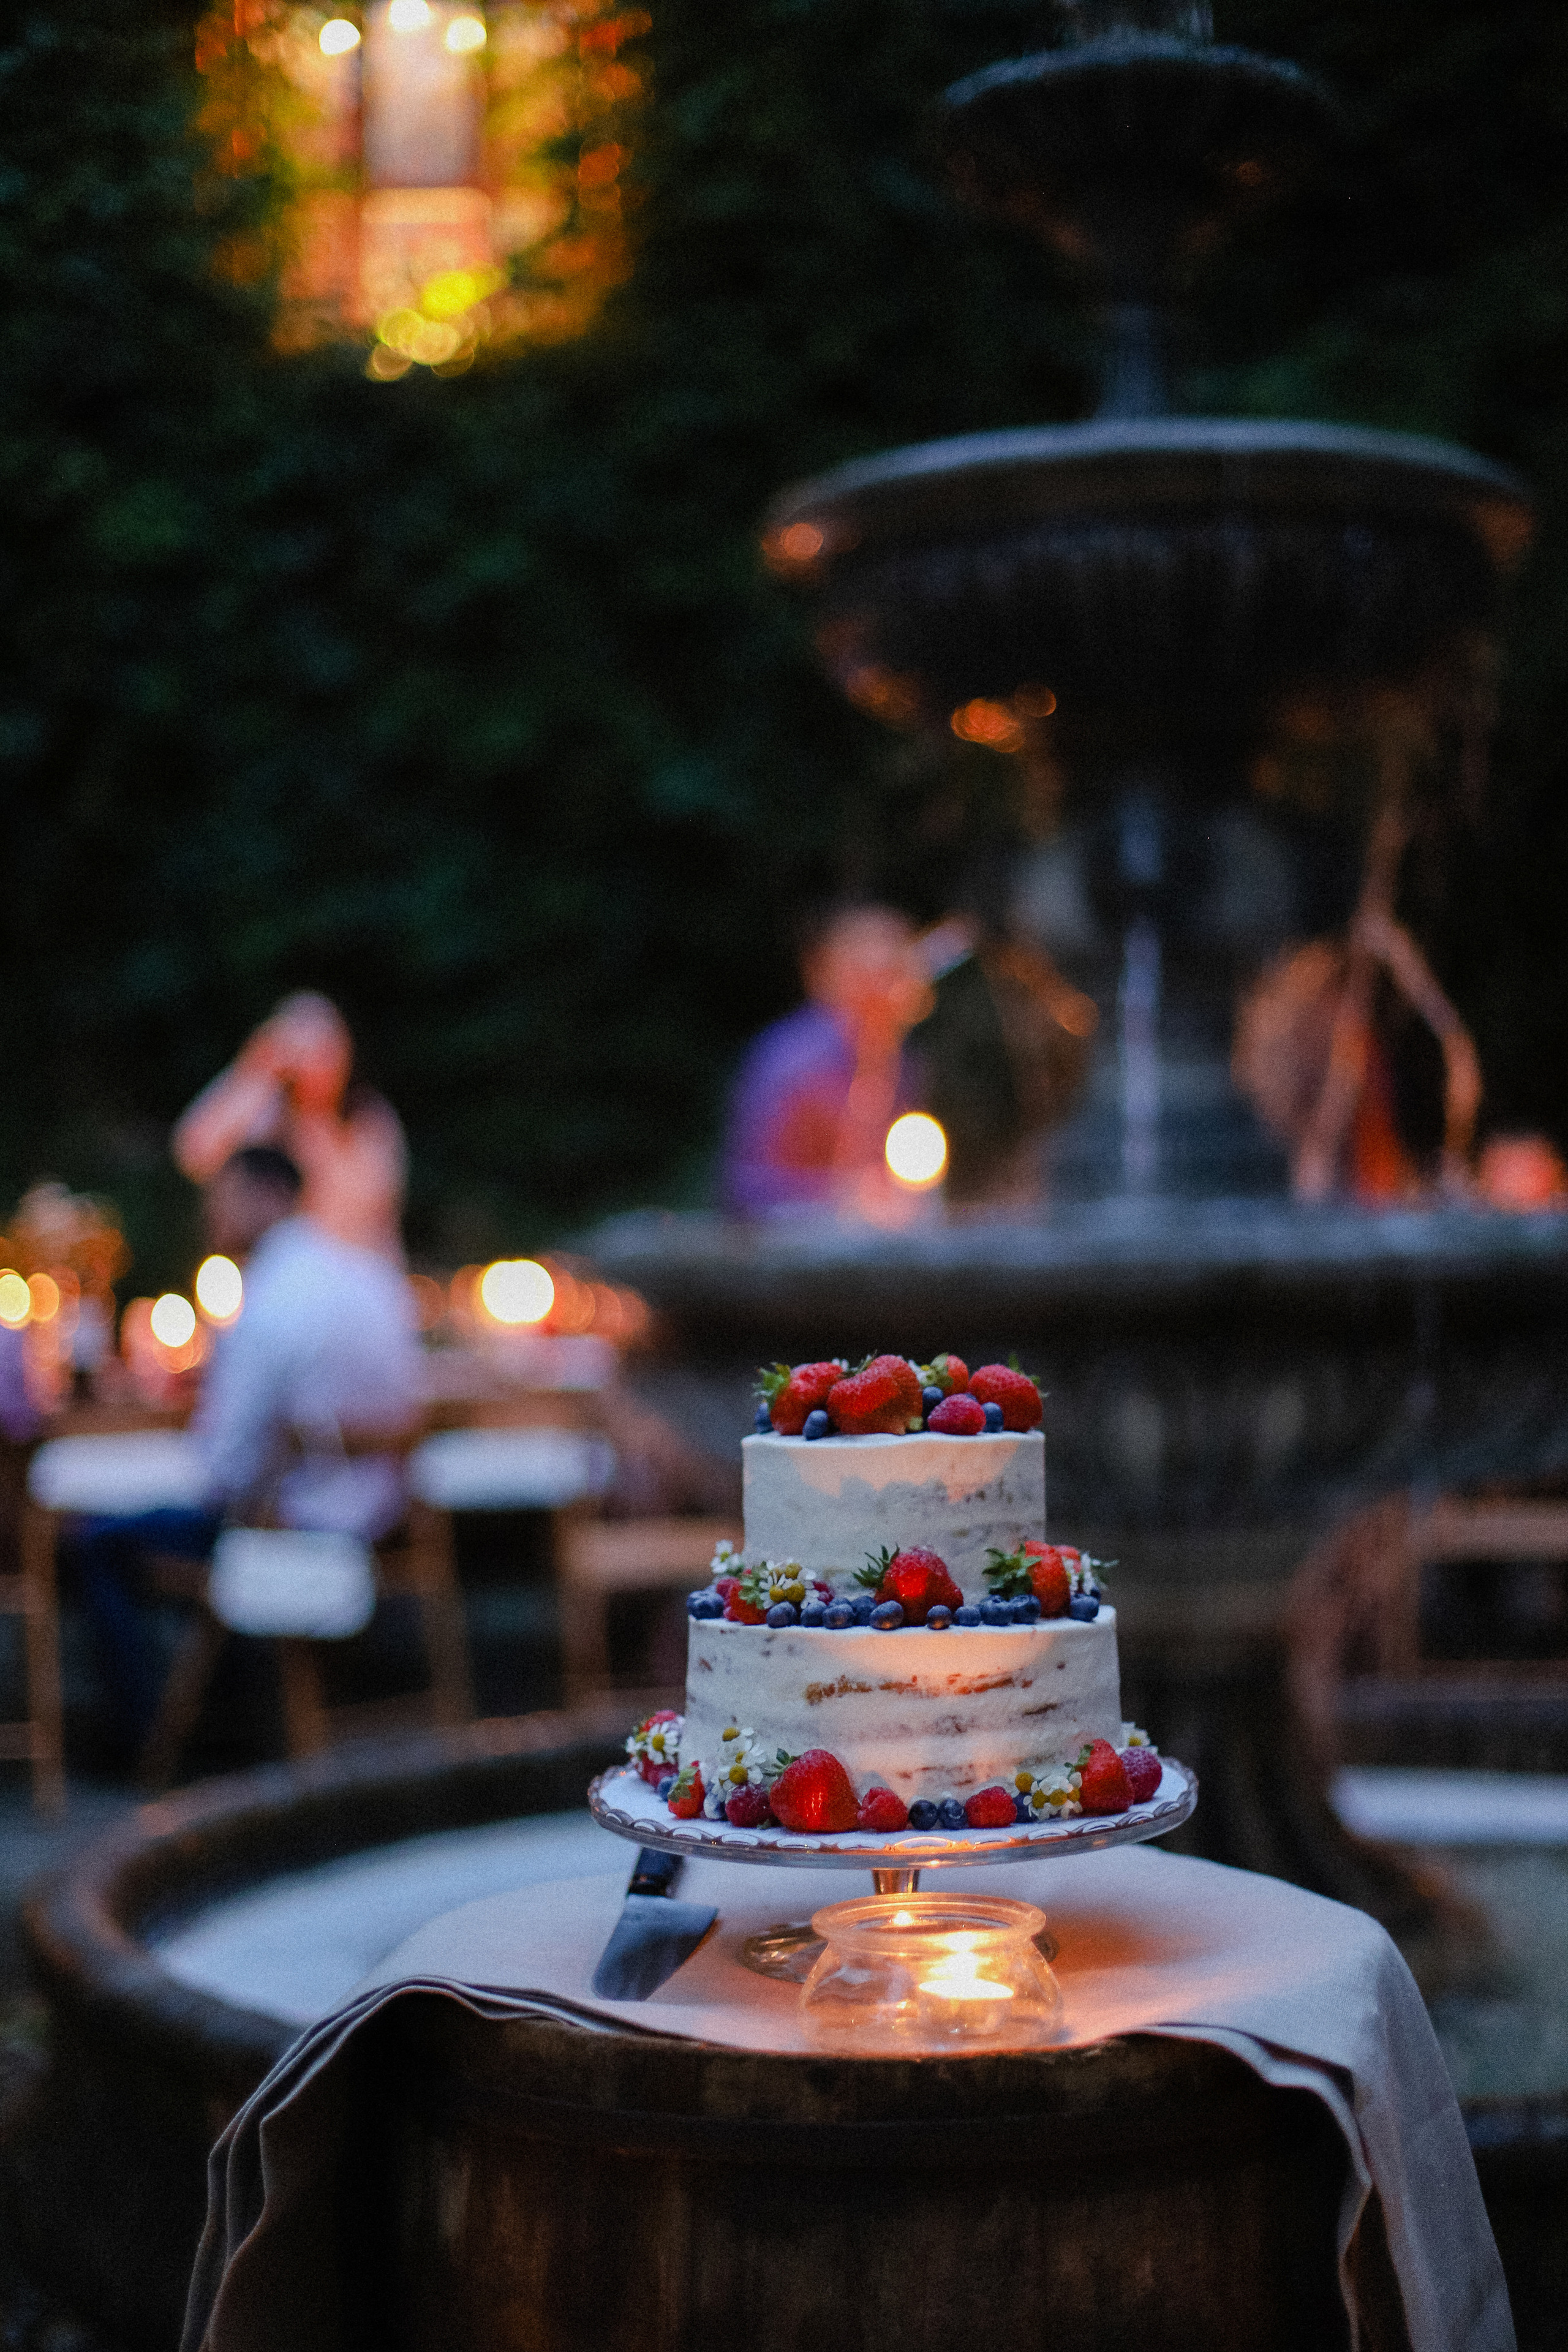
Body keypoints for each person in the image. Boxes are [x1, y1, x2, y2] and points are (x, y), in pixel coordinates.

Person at [68, 1146, 424, 1762]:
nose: (210, 1215)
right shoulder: (371, 1277)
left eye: (220, 1198)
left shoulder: (267, 1303)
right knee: (210, 1519)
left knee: (98, 1542)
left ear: (266, 1196)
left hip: (295, 1528)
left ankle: (145, 1739)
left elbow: (226, 1468)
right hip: (385, 1521)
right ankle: (225, 1716)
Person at [721, 905, 932, 1216]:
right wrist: (842, 1195)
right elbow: (745, 1190)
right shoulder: (791, 1061)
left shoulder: (902, 1063)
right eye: (879, 973)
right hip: (790, 1240)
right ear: (827, 973)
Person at [173, 993, 407, 1261]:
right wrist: (256, 1069)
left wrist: (313, 1121)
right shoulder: (269, 1110)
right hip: (277, 1271)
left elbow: (362, 1207)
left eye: (324, 1049)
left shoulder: (369, 1117)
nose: (313, 1062)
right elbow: (193, 1152)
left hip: (357, 1272)